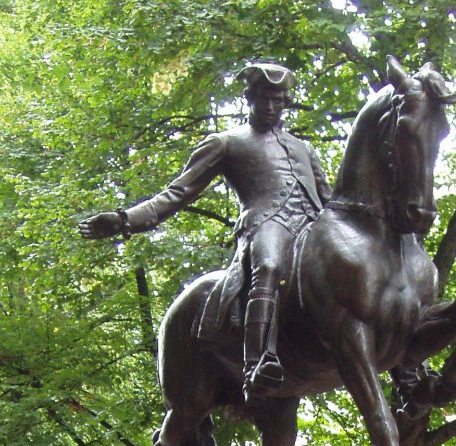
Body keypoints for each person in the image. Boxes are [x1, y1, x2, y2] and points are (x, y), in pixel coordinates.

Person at [78, 62, 331, 404]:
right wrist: (125, 220)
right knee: (269, 266)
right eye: (263, 99)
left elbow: (330, 201)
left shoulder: (305, 149)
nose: (271, 107)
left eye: (278, 99)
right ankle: (259, 362)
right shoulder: (226, 143)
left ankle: (405, 368)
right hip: (268, 224)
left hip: (313, 230)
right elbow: (176, 193)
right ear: (249, 99)